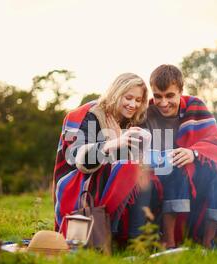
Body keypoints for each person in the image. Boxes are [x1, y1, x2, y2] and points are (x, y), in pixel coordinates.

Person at [143, 65, 217, 248]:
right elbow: (138, 152)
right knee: (176, 164)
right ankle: (170, 240)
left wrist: (194, 152)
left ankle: (209, 240)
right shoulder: (147, 113)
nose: (164, 102)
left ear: (180, 91)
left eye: (170, 95)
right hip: (161, 174)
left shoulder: (195, 106)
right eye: (158, 96)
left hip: (197, 174)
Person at [53, 73, 151, 243]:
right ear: (116, 93)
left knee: (146, 174)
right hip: (79, 183)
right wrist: (113, 143)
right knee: (129, 169)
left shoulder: (130, 121)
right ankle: (107, 235)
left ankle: (137, 240)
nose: (133, 104)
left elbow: (129, 161)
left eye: (138, 100)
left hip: (109, 180)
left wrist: (141, 143)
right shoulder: (93, 115)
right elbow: (80, 160)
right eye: (128, 98)